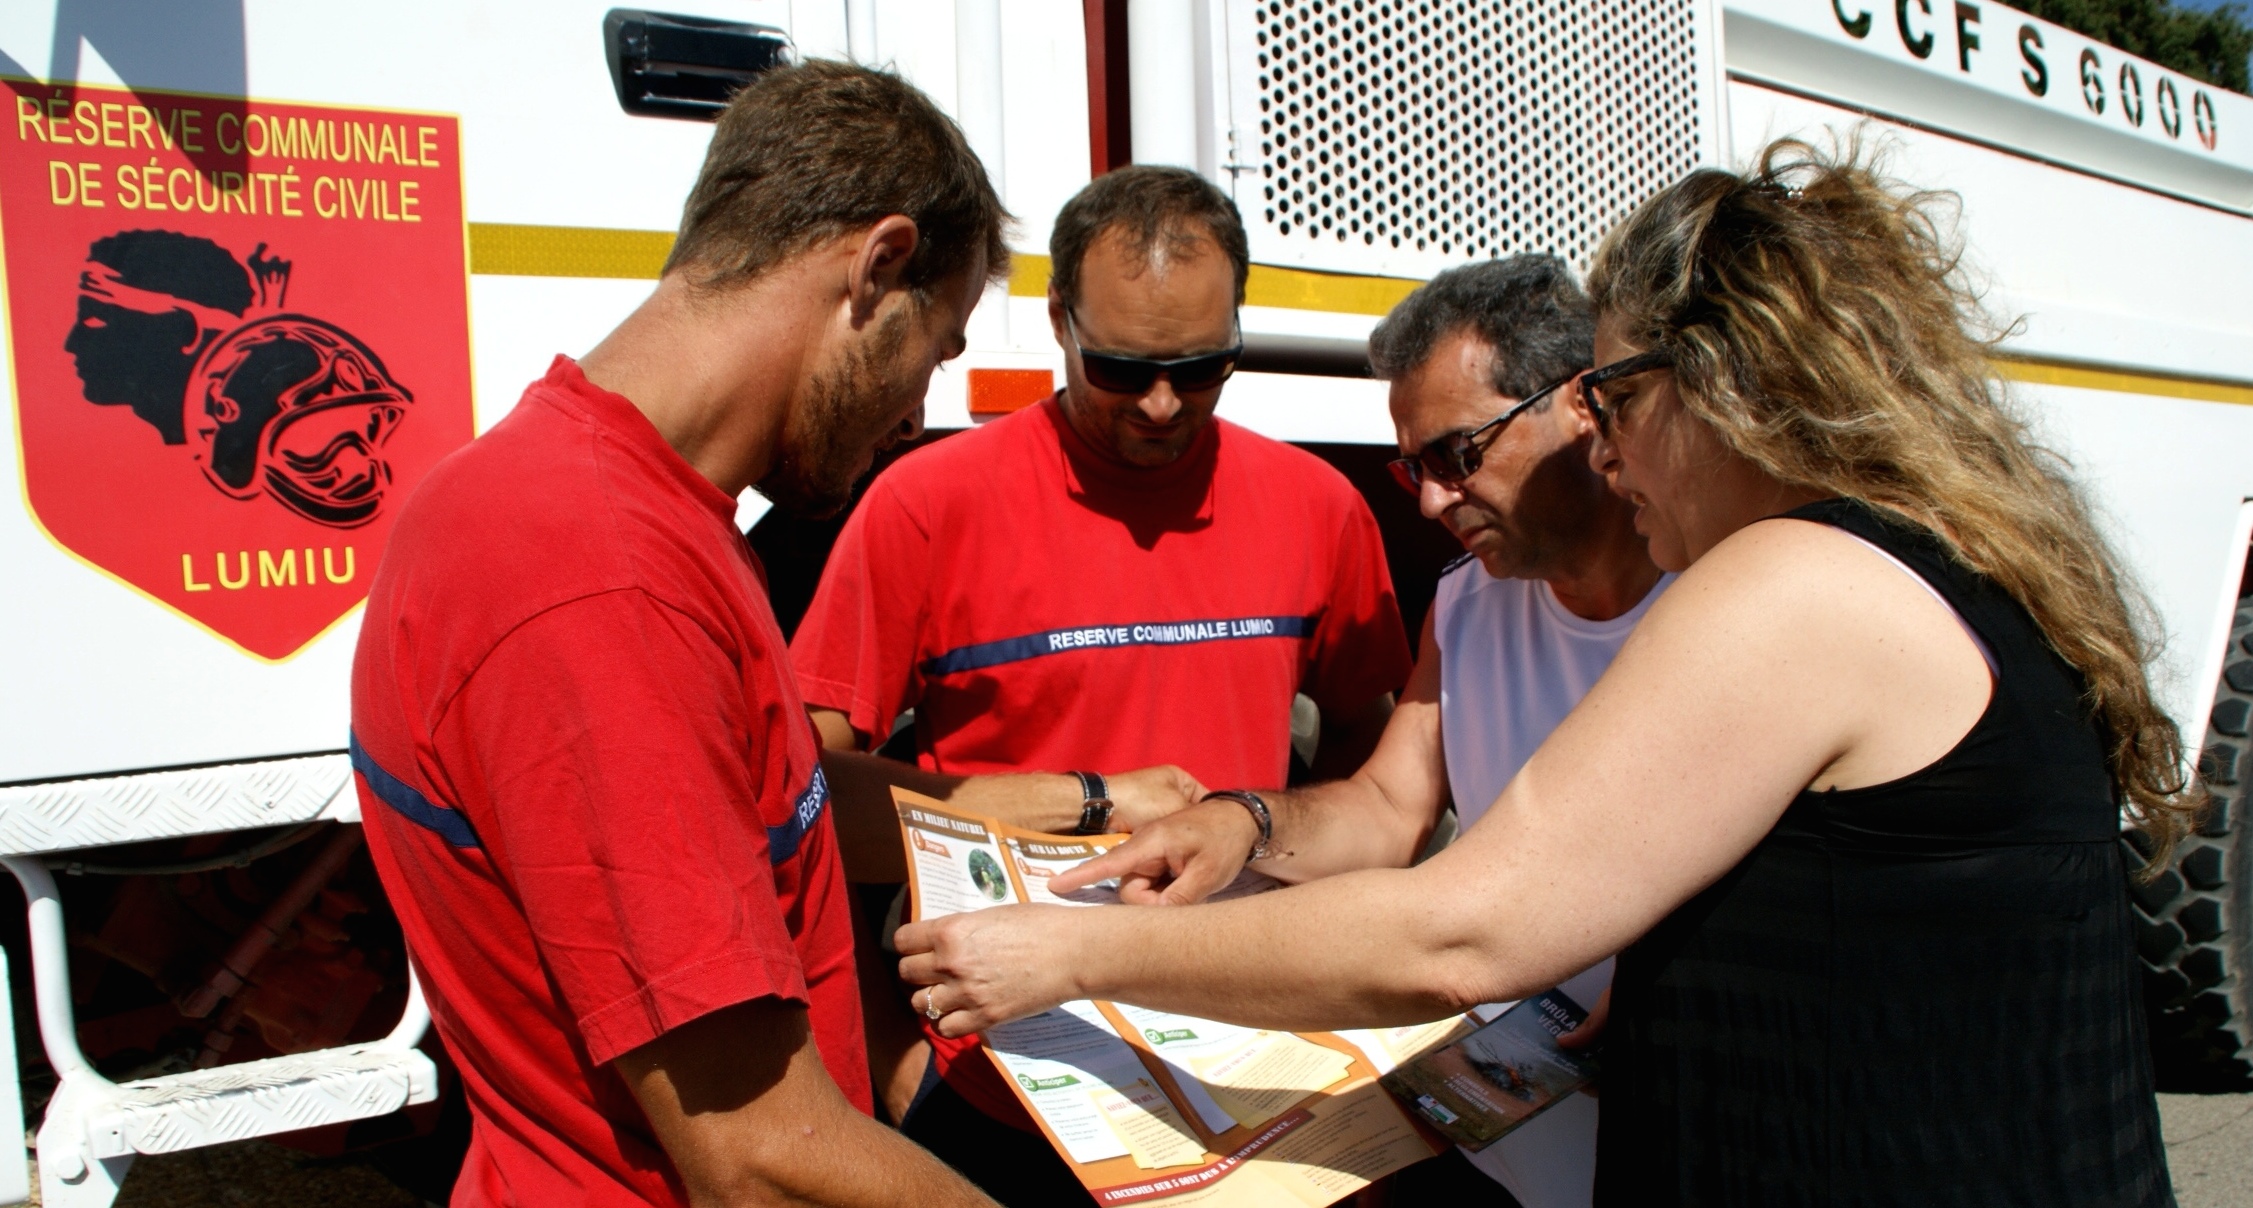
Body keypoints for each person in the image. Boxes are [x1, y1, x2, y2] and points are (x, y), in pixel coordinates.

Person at [897, 139, 2194, 1207]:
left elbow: (1462, 928)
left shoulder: (1792, 581)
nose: (1611, 442)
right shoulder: (1914, 558)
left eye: (1617, 393)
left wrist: (1081, 953)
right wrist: (1246, 825)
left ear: (1713, 381)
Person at [350, 61, 1008, 1206]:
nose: (915, 412)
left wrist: (1084, 802)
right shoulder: (602, 583)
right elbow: (756, 1156)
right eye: (935, 350)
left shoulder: (645, 509)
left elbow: (764, 808)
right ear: (880, 265)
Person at [790, 164, 1414, 1202]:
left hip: (1239, 1067)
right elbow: (802, 795)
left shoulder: (1319, 508)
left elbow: (1373, 756)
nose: (1165, 404)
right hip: (998, 1088)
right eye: (1123, 369)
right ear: (1059, 325)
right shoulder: (925, 506)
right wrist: (887, 1051)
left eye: (1206, 366)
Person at [1084, 253, 1665, 1207]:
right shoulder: (1470, 603)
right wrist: (1243, 823)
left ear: (1581, 407)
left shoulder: (1717, 593)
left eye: (1456, 454)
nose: (1432, 499)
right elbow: (1392, 803)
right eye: (1414, 469)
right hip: (1506, 1151)